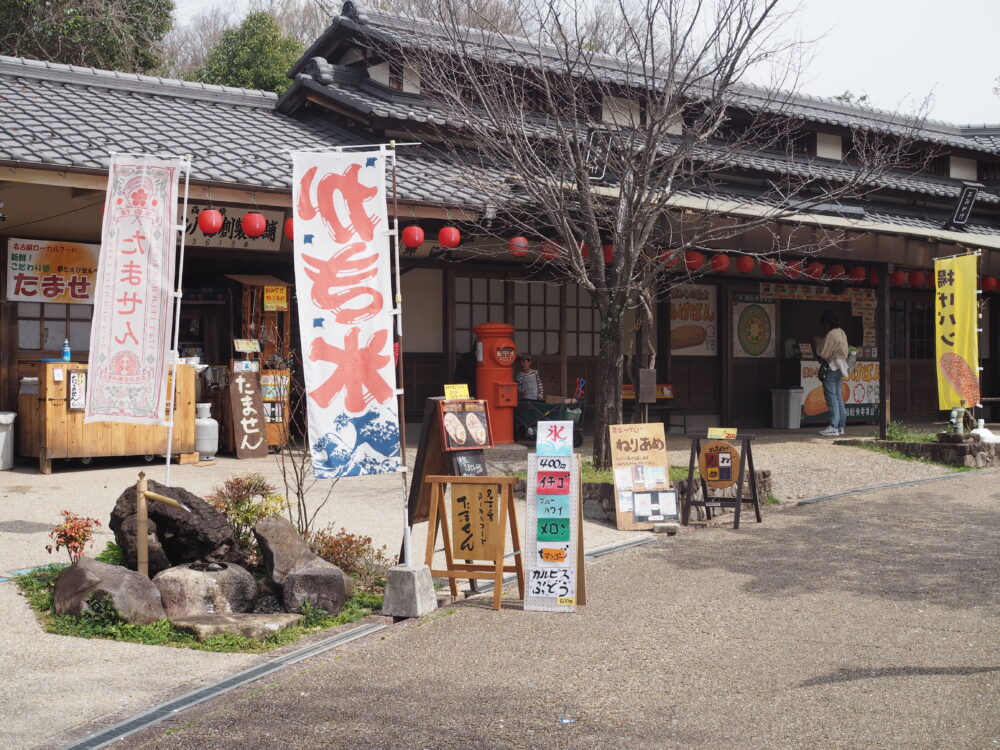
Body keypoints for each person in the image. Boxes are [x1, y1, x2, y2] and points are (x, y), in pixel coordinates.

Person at [816, 309, 849, 437]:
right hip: (841, 367)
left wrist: (818, 342)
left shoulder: (831, 334)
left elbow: (823, 353)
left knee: (831, 397)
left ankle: (833, 426)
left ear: (826, 323)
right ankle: (841, 426)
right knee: (838, 397)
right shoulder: (842, 332)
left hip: (832, 366)